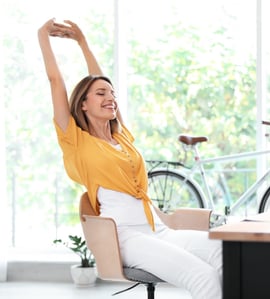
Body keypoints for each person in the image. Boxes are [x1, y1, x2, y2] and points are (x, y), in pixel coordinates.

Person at [38, 18, 222, 299]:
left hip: (159, 230)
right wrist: (43, 36)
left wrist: (83, 42)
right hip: (125, 236)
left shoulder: (120, 135)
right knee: (204, 277)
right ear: (83, 104)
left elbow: (98, 81)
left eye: (112, 93)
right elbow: (56, 82)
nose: (110, 97)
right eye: (101, 94)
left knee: (227, 255)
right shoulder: (75, 141)